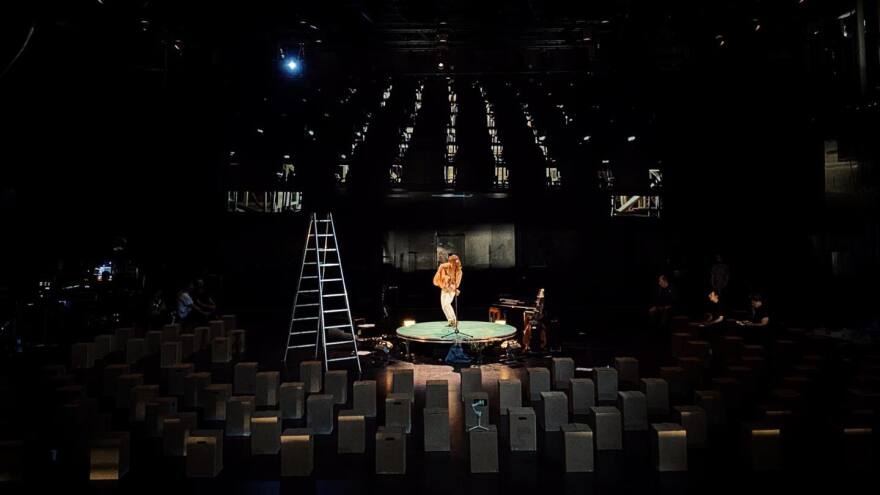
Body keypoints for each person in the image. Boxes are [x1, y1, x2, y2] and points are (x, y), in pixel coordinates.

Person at [433, 254, 463, 327]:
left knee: (447, 303)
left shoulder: (459, 272)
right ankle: (451, 321)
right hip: (444, 288)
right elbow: (441, 266)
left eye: (454, 262)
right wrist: (442, 276)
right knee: (443, 306)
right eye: (451, 262)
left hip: (451, 289)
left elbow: (457, 284)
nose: (452, 264)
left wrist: (451, 287)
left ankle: (455, 320)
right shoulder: (447, 265)